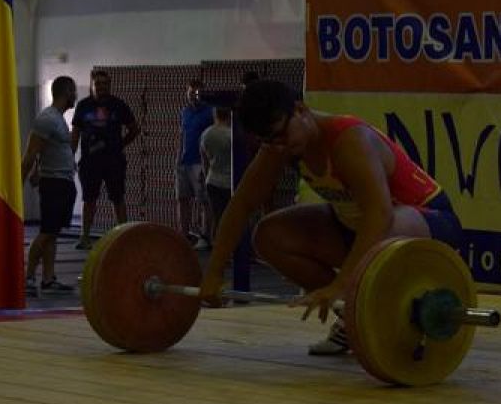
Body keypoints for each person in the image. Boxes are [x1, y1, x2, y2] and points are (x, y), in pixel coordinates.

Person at [198, 80, 463, 356]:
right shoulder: (280, 145)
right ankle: (353, 316)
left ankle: (365, 308)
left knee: (386, 226)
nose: (279, 146)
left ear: (300, 110)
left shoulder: (349, 140)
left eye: (281, 135)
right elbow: (242, 204)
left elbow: (380, 215)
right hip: (364, 232)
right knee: (269, 236)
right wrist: (214, 272)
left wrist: (340, 285)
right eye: (269, 141)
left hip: (430, 226)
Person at [21, 75, 79, 297]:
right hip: (53, 184)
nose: (75, 95)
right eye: (73, 91)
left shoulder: (58, 118)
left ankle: (48, 279)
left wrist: (37, 170)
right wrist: (20, 184)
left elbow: (43, 151)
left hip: (62, 182)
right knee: (46, 233)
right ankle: (28, 278)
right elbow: (30, 153)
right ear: (66, 92)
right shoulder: (47, 119)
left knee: (52, 233)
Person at [71, 69, 140, 249]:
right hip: (90, 162)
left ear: (110, 85)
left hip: (114, 162)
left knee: (118, 198)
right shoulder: (83, 105)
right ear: (92, 85)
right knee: (89, 199)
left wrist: (120, 144)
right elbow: (75, 133)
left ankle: (123, 238)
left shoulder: (119, 105)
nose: (102, 87)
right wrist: (70, 156)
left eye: (105, 84)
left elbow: (134, 129)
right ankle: (84, 237)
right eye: (98, 84)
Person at [176, 78, 214, 249]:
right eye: (191, 93)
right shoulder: (184, 112)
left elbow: (213, 137)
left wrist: (209, 163)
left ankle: (205, 237)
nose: (193, 96)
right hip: (184, 162)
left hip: (200, 163)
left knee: (204, 201)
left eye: (197, 93)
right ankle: (183, 235)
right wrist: (177, 159)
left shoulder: (210, 112)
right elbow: (182, 135)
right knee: (182, 199)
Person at [199, 106, 233, 245]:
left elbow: (204, 161)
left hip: (212, 180)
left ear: (215, 114)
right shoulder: (231, 135)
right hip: (229, 182)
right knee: (230, 218)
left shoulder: (206, 134)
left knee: (217, 217)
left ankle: (216, 247)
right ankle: (228, 248)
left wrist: (206, 176)